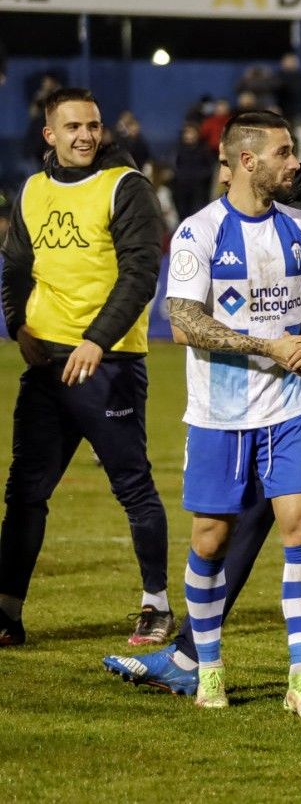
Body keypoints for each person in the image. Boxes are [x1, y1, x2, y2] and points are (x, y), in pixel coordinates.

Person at [103, 155, 301, 701]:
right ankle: (189, 655)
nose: (288, 165)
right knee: (246, 522)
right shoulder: (284, 216)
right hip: (282, 393)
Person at [161, 110, 301, 716]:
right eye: (285, 152)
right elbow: (182, 322)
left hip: (287, 409)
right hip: (218, 414)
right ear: (248, 160)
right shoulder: (198, 233)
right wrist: (270, 346)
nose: (295, 162)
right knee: (209, 541)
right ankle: (208, 669)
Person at [0, 87, 172, 648]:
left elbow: (141, 275)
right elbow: (17, 268)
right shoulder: (31, 190)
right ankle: (8, 610)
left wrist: (97, 340)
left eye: (93, 126)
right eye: (73, 127)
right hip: (47, 366)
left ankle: (155, 605)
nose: (86, 136)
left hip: (109, 364)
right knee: (25, 492)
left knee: (132, 486)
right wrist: (16, 326)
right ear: (49, 133)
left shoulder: (126, 187)